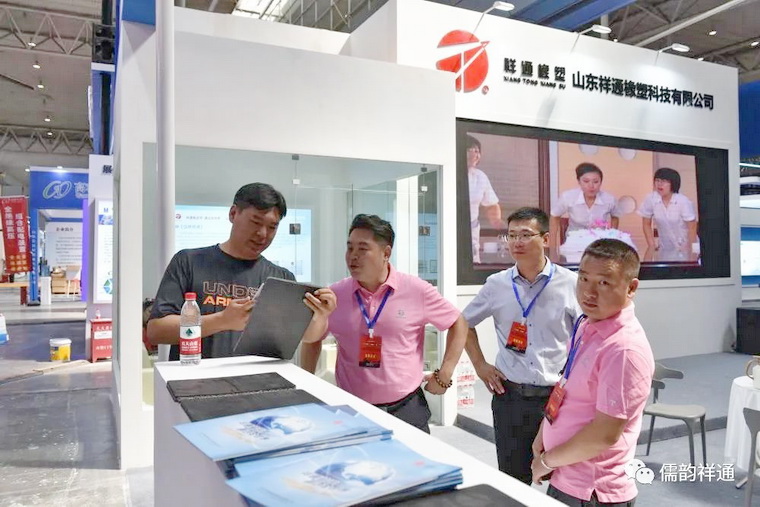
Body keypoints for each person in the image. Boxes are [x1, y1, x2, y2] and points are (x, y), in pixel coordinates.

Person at [300, 214, 468, 433]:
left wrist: (445, 373)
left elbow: (458, 322)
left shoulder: (416, 290)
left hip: (406, 408)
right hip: (353, 409)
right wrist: (307, 385)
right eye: (349, 248)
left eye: (363, 249)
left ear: (386, 253)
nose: (353, 256)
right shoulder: (335, 294)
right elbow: (312, 339)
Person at [531, 239, 655, 506]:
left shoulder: (623, 349)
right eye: (584, 279)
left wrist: (546, 461)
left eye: (604, 283)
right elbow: (570, 390)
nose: (589, 292)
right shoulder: (587, 325)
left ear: (631, 288)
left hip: (592, 491)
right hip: (567, 474)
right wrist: (545, 432)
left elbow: (604, 434)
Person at [462, 207, 581, 484]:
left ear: (546, 239)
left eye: (526, 235)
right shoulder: (497, 284)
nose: (517, 242)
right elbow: (462, 323)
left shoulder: (570, 283)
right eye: (511, 235)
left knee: (562, 479)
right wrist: (479, 365)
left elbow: (587, 335)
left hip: (556, 398)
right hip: (510, 398)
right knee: (513, 479)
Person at [147, 183, 296, 360]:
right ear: (233, 214)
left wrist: (319, 317)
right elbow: (157, 331)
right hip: (195, 376)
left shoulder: (281, 278)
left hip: (259, 377)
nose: (262, 234)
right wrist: (222, 320)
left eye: (272, 227)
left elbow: (300, 336)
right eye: (255, 222)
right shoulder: (188, 262)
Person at [550, 163, 621, 249]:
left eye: (595, 182)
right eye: (586, 181)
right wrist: (552, 246)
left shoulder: (609, 199)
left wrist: (612, 239)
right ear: (579, 181)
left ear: (601, 182)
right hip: (574, 241)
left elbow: (615, 217)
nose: (591, 186)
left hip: (599, 243)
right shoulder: (568, 197)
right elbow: (554, 216)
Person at [638, 167, 697, 261]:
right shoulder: (651, 198)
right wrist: (652, 245)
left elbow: (692, 228)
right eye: (657, 180)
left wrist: (693, 253)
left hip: (686, 247)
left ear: (673, 184)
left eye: (664, 181)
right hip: (665, 249)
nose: (659, 184)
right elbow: (646, 223)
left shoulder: (683, 201)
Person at [466, 135, 502, 263]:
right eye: (472, 150)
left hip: (472, 231)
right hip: (449, 227)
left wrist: (498, 223)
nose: (476, 155)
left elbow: (492, 204)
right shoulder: (449, 172)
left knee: (473, 262)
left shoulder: (480, 176)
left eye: (478, 151)